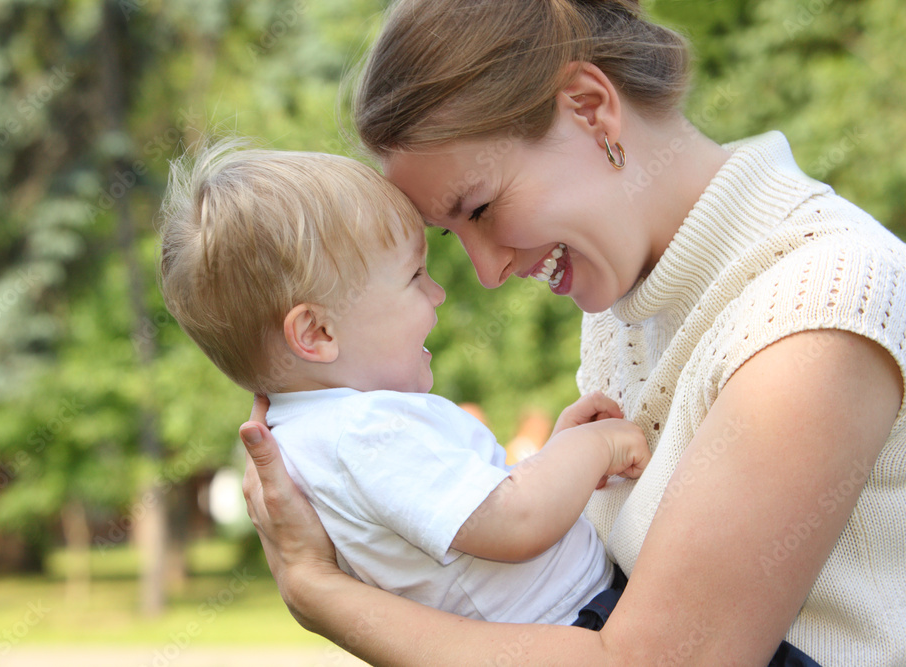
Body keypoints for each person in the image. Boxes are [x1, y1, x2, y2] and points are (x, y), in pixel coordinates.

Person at [239, 0, 906, 665]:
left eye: (481, 207)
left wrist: (320, 590)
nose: (488, 270)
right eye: (453, 233)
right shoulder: (621, 306)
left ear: (590, 107)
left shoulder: (819, 298)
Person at [157, 139, 653, 624]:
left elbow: (473, 533)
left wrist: (556, 453)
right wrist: (596, 448)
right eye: (415, 275)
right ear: (317, 332)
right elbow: (516, 520)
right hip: (578, 624)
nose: (437, 293)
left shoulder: (309, 442)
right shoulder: (363, 430)